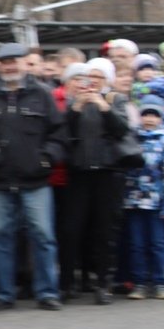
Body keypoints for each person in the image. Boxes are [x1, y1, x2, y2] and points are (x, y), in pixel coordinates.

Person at [0, 43, 67, 311]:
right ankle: (3, 294)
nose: (10, 66)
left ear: (25, 63)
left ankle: (47, 292)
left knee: (43, 237)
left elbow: (58, 134)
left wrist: (46, 158)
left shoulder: (42, 95)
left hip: (35, 180)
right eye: (5, 61)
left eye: (15, 61)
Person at [59, 57, 131, 305]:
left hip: (107, 173)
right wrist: (77, 107)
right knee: (71, 230)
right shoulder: (73, 101)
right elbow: (62, 131)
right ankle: (68, 282)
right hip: (78, 172)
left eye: (99, 78)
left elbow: (122, 129)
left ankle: (103, 283)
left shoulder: (115, 99)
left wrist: (103, 106)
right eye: (88, 77)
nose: (92, 82)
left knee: (105, 230)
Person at [121, 102, 164, 300]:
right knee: (137, 243)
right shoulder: (131, 138)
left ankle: (160, 282)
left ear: (160, 118)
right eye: (146, 114)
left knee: (159, 243)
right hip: (134, 200)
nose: (149, 119)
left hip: (157, 201)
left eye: (154, 115)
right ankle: (139, 282)